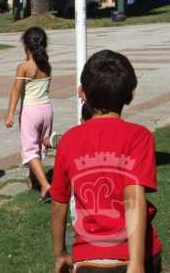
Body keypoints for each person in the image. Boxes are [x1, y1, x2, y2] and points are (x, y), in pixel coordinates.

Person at [51, 50, 162, 273]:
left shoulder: (69, 140)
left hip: (88, 259)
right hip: (135, 256)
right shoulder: (139, 137)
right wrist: (137, 262)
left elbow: (58, 202)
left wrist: (60, 253)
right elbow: (134, 198)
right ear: (131, 94)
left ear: (82, 92)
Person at [5, 26, 53, 201]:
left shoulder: (24, 67)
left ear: (26, 45)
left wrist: (10, 113)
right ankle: (33, 180)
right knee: (39, 147)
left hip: (31, 111)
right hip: (47, 109)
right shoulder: (47, 65)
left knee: (30, 150)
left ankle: (45, 185)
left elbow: (16, 91)